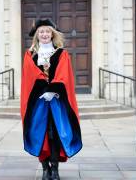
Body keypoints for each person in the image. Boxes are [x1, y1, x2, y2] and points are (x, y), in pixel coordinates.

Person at [20, 19, 82, 180]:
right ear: (37, 35)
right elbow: (30, 76)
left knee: (55, 134)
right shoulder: (30, 54)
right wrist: (42, 89)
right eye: (41, 32)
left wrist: (53, 90)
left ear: (52, 34)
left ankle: (54, 168)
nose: (45, 34)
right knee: (39, 134)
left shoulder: (62, 53)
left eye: (47, 32)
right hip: (38, 101)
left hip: (56, 102)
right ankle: (44, 168)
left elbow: (64, 74)